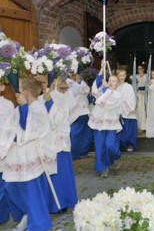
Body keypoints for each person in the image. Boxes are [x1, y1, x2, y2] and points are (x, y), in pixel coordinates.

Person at [2, 76, 58, 231]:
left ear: (26, 92)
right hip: (18, 156)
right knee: (12, 188)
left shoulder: (36, 107)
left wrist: (23, 107)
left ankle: (39, 224)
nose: (17, 91)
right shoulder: (24, 107)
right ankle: (26, 216)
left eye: (20, 88)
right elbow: (12, 127)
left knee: (31, 191)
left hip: (31, 155)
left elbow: (28, 127)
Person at [43, 77, 78, 213]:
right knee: (54, 172)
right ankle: (56, 203)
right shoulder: (47, 98)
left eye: (65, 89)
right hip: (50, 141)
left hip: (61, 139)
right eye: (61, 88)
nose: (64, 91)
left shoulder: (63, 99)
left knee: (63, 171)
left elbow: (70, 116)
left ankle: (65, 200)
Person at [88, 63, 123, 178]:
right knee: (99, 147)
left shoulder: (117, 95)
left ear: (117, 84)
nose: (111, 82)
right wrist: (102, 68)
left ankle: (115, 157)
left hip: (110, 124)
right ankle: (104, 168)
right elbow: (96, 86)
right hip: (98, 123)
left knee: (110, 145)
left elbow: (104, 103)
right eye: (109, 80)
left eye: (114, 81)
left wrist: (107, 90)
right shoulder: (102, 91)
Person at [0, 81, 15, 225]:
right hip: (3, 147)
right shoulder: (8, 105)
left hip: (3, 147)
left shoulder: (8, 105)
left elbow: (10, 129)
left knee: (3, 183)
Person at [67, 74, 93, 159]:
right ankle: (75, 152)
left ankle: (82, 151)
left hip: (83, 111)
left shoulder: (81, 83)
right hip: (74, 112)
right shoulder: (67, 84)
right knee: (74, 133)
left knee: (83, 133)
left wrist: (78, 82)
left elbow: (86, 91)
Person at [116, 69, 137, 151]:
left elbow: (132, 99)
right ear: (117, 76)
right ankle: (120, 144)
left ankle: (130, 144)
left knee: (128, 130)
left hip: (127, 112)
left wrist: (125, 108)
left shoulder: (128, 87)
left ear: (125, 76)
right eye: (120, 75)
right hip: (118, 112)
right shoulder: (115, 86)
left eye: (123, 75)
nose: (121, 77)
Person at [136, 65, 147, 133]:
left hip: (144, 95)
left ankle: (144, 126)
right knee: (138, 110)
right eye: (138, 68)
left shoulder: (146, 76)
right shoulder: (136, 76)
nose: (139, 70)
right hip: (138, 94)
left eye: (141, 68)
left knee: (143, 110)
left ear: (143, 69)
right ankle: (139, 126)